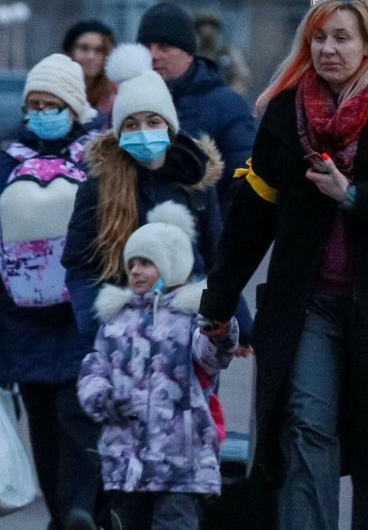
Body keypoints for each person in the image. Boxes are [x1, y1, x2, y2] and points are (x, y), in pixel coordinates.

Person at [198, 0, 368, 530]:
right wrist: (217, 302)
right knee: (306, 427)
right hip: (308, 303)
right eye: (319, 37)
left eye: (342, 37)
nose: (328, 49)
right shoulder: (286, 112)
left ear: (367, 45)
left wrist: (355, 196)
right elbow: (253, 215)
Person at [0, 53, 103, 529]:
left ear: (74, 107)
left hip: (83, 318)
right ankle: (63, 513)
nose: (41, 112)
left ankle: (79, 511)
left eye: (51, 103)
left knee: (78, 417)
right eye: (33, 104)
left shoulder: (101, 160)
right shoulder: (9, 163)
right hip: (23, 319)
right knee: (44, 427)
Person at [77, 204, 239, 530]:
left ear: (171, 266)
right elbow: (94, 370)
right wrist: (106, 400)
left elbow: (212, 357)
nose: (135, 270)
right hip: (127, 461)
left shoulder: (192, 316)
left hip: (182, 462)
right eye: (132, 263)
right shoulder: (116, 322)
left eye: (146, 263)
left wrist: (221, 332)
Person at [62, 69, 222, 342]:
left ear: (169, 127)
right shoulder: (98, 186)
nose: (143, 132)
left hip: (186, 332)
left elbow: (216, 259)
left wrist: (230, 319)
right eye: (131, 125)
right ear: (119, 131)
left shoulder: (195, 182)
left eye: (153, 121)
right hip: (119, 335)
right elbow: (79, 263)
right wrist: (95, 325)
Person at [136, 2, 255, 218]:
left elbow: (245, 186)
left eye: (164, 46)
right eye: (146, 46)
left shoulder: (228, 106)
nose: (153, 55)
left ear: (188, 53)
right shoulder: (128, 103)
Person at [62, 20, 117, 126]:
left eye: (99, 50)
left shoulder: (118, 99)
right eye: (84, 48)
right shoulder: (54, 92)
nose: (90, 56)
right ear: (70, 52)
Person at [195, 12, 251, 97]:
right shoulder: (192, 55)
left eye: (210, 27)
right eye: (202, 27)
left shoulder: (227, 52)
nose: (207, 31)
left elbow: (242, 77)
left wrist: (229, 94)